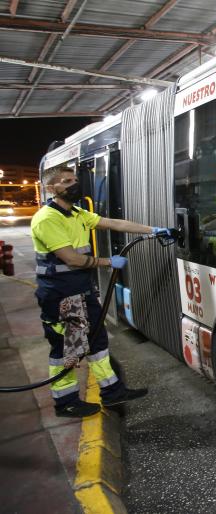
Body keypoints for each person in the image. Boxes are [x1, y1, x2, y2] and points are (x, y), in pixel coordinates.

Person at [31, 166, 172, 418]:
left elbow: (115, 223)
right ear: (51, 189)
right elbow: (71, 259)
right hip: (61, 295)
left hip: (80, 290)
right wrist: (108, 262)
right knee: (68, 349)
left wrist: (152, 230)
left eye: (75, 180)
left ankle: (113, 392)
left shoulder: (76, 213)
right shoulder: (47, 219)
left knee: (97, 342)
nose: (75, 185)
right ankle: (66, 402)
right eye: (67, 181)